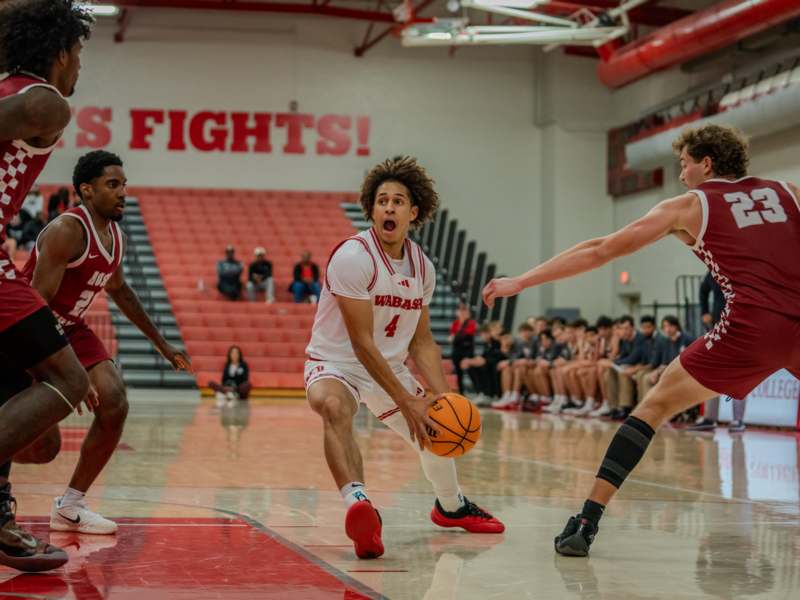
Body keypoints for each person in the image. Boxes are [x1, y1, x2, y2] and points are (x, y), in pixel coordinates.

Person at [483, 123, 800, 556]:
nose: (682, 174)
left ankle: (585, 523)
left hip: (751, 328)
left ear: (707, 163)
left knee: (653, 406)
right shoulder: (789, 191)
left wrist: (521, 281)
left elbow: (600, 249)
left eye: (684, 164)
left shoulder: (690, 205)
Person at [304, 156, 504, 560]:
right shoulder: (353, 256)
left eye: (398, 201)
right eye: (382, 201)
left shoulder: (422, 267)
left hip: (388, 367)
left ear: (414, 212)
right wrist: (405, 399)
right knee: (332, 406)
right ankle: (359, 506)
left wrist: (442, 398)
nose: (389, 208)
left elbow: (423, 342)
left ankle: (451, 506)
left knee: (436, 426)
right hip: (336, 363)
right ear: (371, 209)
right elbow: (361, 343)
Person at [12, 150, 192, 535]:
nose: (123, 192)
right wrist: (67, 373)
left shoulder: (117, 238)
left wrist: (163, 345)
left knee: (115, 401)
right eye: (113, 185)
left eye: (124, 184)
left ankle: (70, 505)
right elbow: (37, 308)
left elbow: (121, 290)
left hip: (71, 328)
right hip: (28, 331)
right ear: (86, 191)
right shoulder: (67, 230)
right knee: (45, 449)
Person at [0, 0, 95, 571]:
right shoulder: (45, 100)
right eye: (79, 53)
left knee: (12, 392)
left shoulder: (11, 89)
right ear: (60, 52)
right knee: (67, 378)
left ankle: (2, 522)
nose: (80, 67)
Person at [448, 303, 477, 395]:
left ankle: (479, 391)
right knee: (458, 373)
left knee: (471, 371)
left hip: (467, 351)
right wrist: (457, 336)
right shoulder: (455, 323)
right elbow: (451, 338)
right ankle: (461, 392)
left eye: (465, 311)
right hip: (457, 350)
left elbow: (466, 335)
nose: (463, 313)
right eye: (461, 310)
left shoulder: (471, 323)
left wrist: (456, 336)